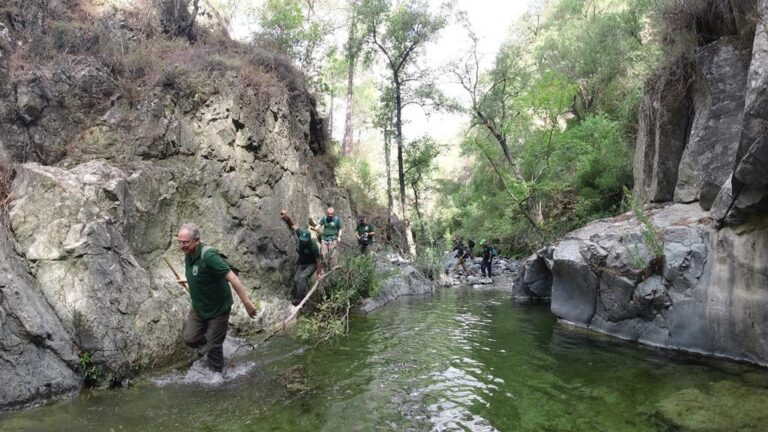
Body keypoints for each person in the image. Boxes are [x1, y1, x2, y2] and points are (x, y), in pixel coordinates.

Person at [176, 223, 258, 373]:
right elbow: (202, 274)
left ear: (197, 241)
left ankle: (218, 378)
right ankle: (215, 342)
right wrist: (188, 280)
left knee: (213, 348)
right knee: (190, 339)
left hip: (218, 308)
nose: (182, 246)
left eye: (185, 242)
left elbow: (232, 278)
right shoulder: (189, 254)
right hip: (199, 307)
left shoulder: (209, 256)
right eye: (179, 242)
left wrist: (247, 304)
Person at [281, 209, 324, 305]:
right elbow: (294, 226)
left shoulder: (313, 246)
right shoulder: (301, 234)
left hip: (311, 264)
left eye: (305, 241)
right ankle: (299, 297)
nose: (303, 242)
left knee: (303, 277)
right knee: (296, 279)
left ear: (308, 240)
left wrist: (319, 274)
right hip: (302, 263)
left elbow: (318, 261)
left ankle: (299, 300)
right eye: (302, 240)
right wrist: (287, 217)